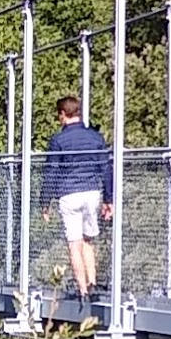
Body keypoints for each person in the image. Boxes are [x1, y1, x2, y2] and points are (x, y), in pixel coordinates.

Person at [45, 92, 114, 298]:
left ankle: (82, 289)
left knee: (74, 244)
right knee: (88, 241)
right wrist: (109, 199)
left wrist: (45, 202)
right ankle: (92, 281)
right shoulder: (95, 137)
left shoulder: (58, 140)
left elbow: (51, 172)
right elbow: (106, 168)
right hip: (92, 192)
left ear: (62, 114)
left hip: (69, 194)